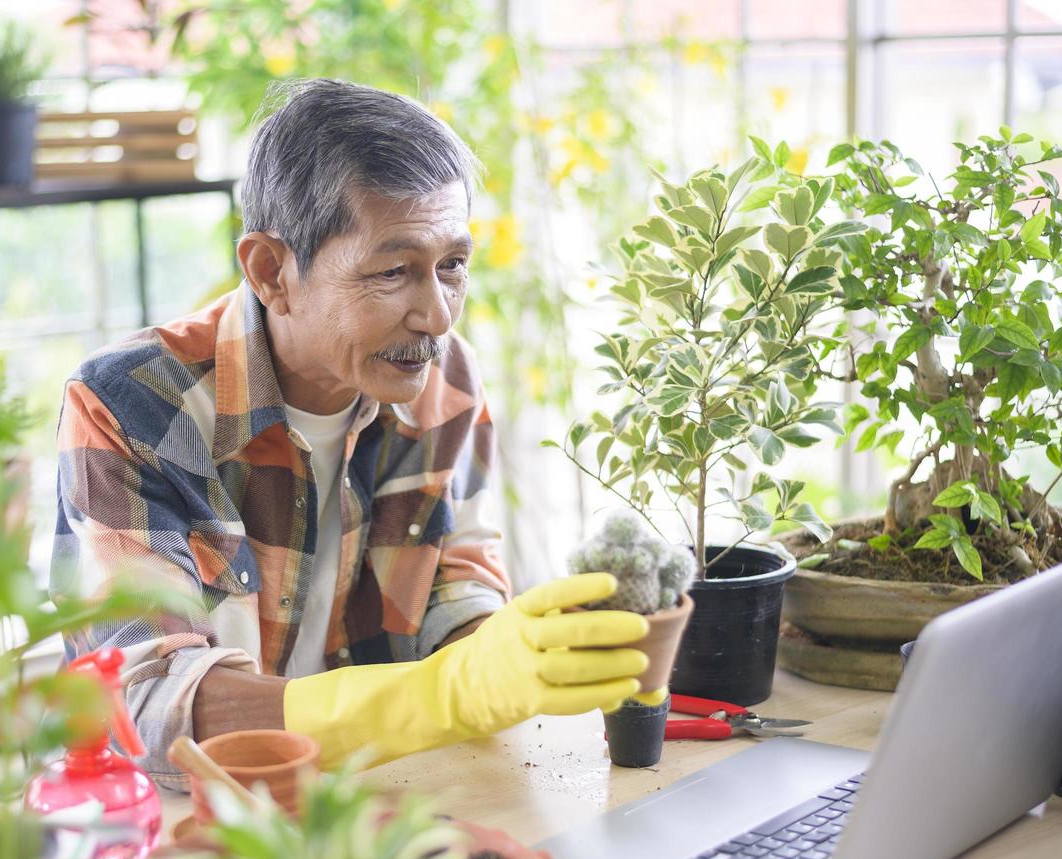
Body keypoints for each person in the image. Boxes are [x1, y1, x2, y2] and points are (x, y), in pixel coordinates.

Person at [51, 78, 651, 789]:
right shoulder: (129, 406)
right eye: (394, 271)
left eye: (452, 265)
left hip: (375, 792)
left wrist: (513, 655)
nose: (436, 315)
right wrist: (441, 694)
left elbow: (451, 587)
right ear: (272, 271)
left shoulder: (445, 380)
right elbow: (148, 709)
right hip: (171, 820)